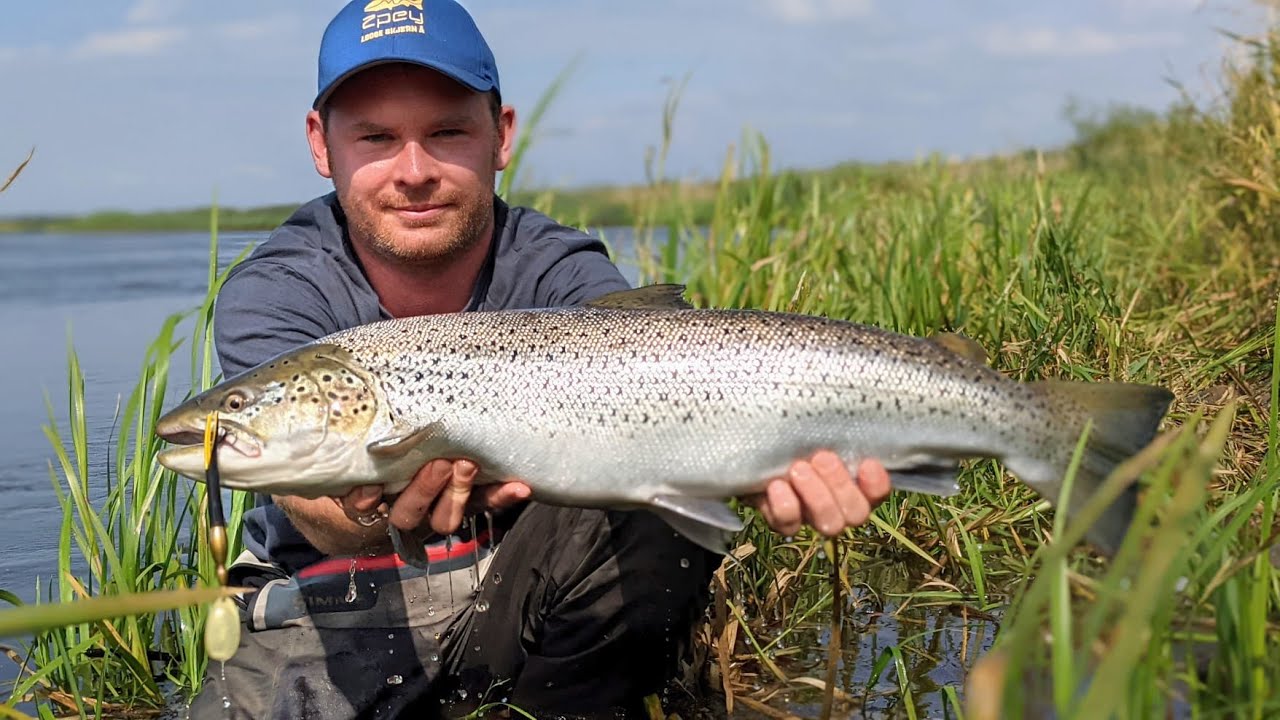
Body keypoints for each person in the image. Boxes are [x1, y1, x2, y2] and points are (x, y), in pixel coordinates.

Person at [188, 1, 892, 718]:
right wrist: (382, 516)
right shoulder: (277, 288)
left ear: (501, 135)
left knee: (645, 495)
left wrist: (752, 463)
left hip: (527, 593)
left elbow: (661, 422)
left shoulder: (562, 268)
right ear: (321, 142)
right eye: (375, 137)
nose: (414, 171)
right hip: (340, 607)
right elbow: (315, 510)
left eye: (447, 132)